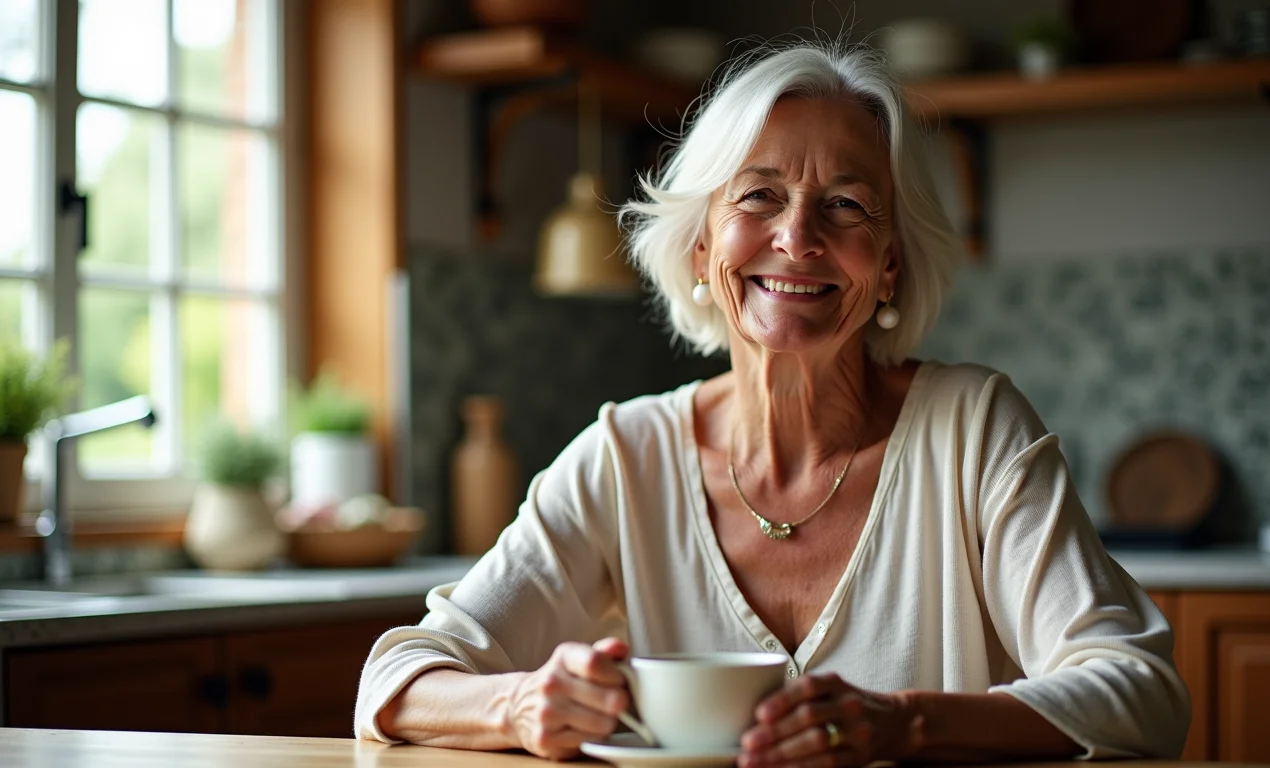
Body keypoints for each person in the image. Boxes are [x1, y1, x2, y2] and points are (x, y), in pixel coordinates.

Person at [355, 42, 1190, 766]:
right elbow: (394, 681)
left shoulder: (973, 430)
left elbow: (1142, 688)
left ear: (890, 266)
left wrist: (901, 725)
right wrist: (521, 704)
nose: (797, 237)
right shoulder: (626, 457)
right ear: (699, 246)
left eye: (846, 205)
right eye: (758, 196)